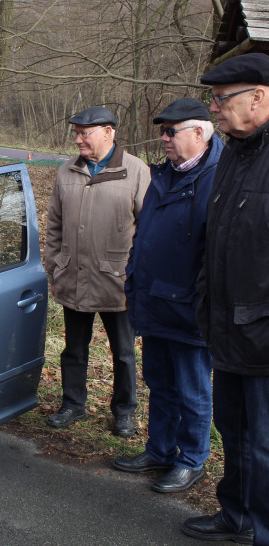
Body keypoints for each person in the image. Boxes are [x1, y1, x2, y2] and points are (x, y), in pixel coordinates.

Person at [113, 98, 224, 494]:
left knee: (192, 389)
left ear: (199, 132)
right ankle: (160, 449)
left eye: (171, 131)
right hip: (155, 301)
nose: (163, 138)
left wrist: (198, 301)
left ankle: (191, 459)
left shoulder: (218, 177)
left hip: (189, 310)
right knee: (159, 383)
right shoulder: (165, 175)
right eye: (162, 131)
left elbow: (216, 253)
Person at [180, 52, 269, 545]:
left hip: (264, 334)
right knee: (235, 436)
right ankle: (235, 516)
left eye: (221, 99)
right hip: (226, 327)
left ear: (259, 97)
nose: (214, 109)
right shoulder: (236, 150)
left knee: (264, 445)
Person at [45, 106, 150, 437]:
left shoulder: (135, 171)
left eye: (85, 133)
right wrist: (55, 264)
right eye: (75, 133)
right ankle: (73, 404)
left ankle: (124, 411)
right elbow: (55, 225)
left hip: (118, 280)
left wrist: (138, 275)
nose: (78, 139)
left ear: (109, 132)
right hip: (74, 275)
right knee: (74, 347)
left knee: (123, 352)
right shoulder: (67, 172)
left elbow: (148, 229)